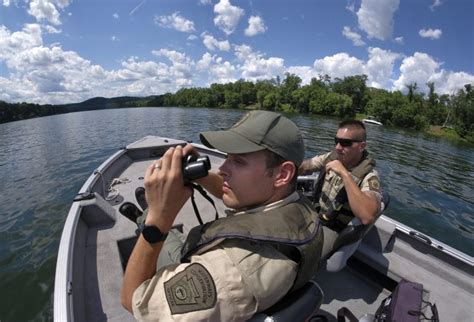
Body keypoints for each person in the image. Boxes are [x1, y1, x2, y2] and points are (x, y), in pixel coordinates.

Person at [121, 110, 323, 321]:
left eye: (238, 161)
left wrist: (158, 219)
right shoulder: (297, 204)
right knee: (174, 237)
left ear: (282, 174)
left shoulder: (226, 274)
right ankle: (144, 214)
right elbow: (236, 196)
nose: (222, 169)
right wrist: (201, 175)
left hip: (219, 270)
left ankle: (144, 217)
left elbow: (133, 300)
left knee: (163, 235)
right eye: (226, 158)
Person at [299, 119, 383, 272]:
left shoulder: (369, 177)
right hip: (315, 213)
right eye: (336, 141)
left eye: (345, 143)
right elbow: (307, 165)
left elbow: (367, 215)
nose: (338, 147)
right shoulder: (331, 157)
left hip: (333, 228)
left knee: (303, 256)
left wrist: (345, 174)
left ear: (361, 146)